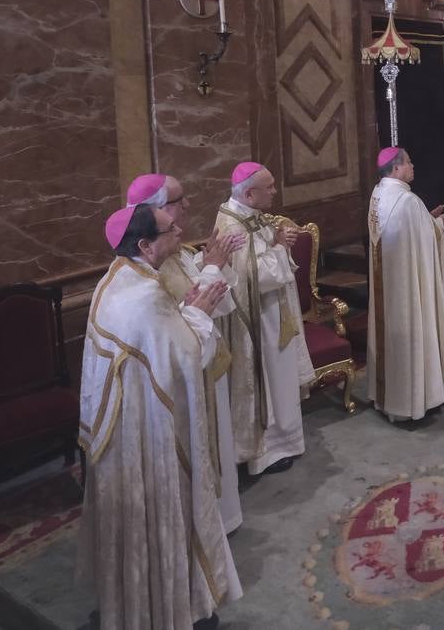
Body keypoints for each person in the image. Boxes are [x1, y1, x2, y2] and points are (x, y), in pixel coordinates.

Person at [78, 204, 241, 629]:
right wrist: (200, 313)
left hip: (124, 435)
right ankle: (171, 611)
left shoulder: (114, 279)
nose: (180, 232)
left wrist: (188, 315)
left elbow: (161, 345)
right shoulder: (147, 295)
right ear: (147, 245)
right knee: (162, 519)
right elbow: (186, 357)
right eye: (171, 230)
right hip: (151, 438)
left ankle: (135, 605)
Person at [127, 173, 246, 532]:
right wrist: (211, 267)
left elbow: (204, 297)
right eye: (180, 200)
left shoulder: (172, 249)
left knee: (218, 444)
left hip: (207, 361)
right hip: (185, 376)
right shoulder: (147, 267)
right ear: (157, 209)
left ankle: (224, 515)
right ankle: (212, 522)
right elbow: (178, 323)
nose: (188, 206)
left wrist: (209, 265)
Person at [214, 162, 310, 476]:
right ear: (250, 193)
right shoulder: (232, 227)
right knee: (267, 382)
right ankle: (267, 452)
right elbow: (252, 276)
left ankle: (286, 440)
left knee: (279, 379)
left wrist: (277, 237)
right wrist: (281, 247)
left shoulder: (249, 216)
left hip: (272, 314)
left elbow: (264, 249)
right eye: (268, 187)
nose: (274, 191)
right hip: (256, 322)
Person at [367, 147, 444, 422]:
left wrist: (427, 219)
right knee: (416, 329)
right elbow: (423, 238)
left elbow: (406, 232)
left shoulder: (378, 194)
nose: (413, 165)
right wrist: (438, 224)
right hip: (406, 290)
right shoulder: (407, 201)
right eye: (408, 162)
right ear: (395, 168)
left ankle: (389, 399)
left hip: (389, 287)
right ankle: (417, 400)